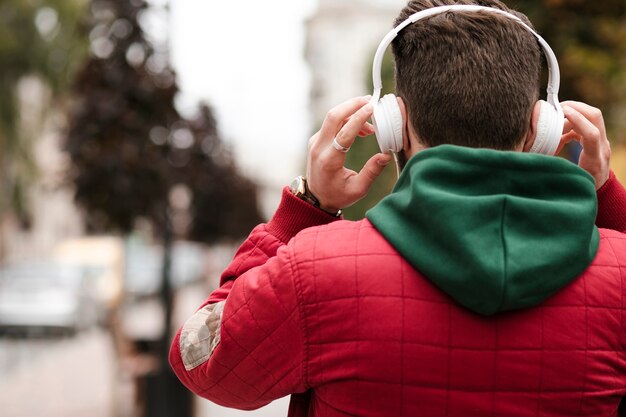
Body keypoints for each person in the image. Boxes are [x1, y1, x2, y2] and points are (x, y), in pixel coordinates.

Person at [169, 0, 626, 415]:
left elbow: (204, 360)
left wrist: (305, 208)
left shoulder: (313, 273)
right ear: (541, 127)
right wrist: (604, 197)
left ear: (394, 124)